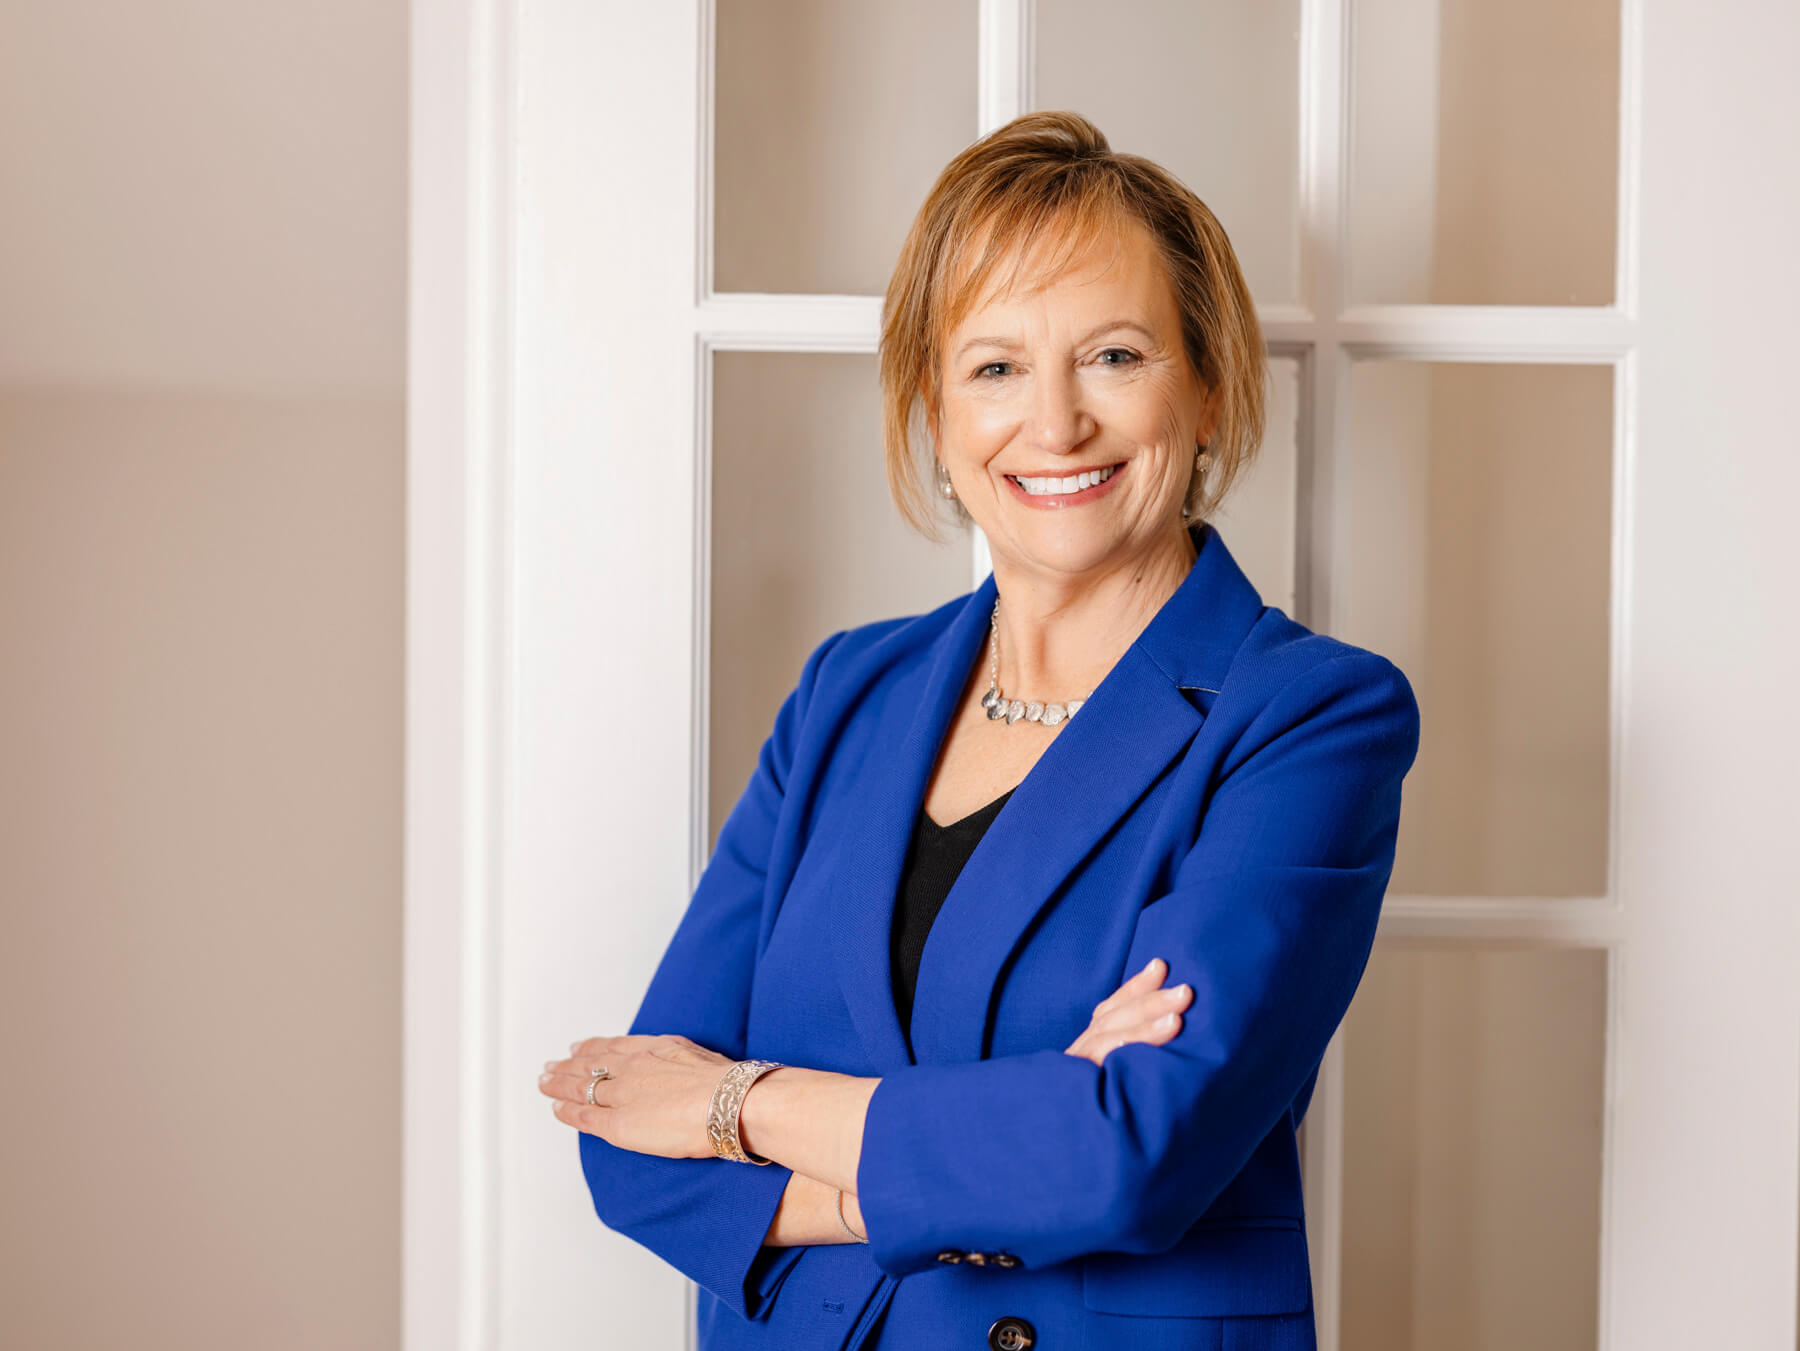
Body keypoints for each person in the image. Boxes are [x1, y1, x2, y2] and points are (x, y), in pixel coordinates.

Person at [536, 110, 1419, 1351]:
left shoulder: (1311, 714)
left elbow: (1122, 1155)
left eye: (1114, 355)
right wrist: (996, 1145)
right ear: (936, 415)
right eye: (994, 367)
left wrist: (733, 1101)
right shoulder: (849, 691)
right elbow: (634, 1141)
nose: (1053, 425)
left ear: (1209, 387)